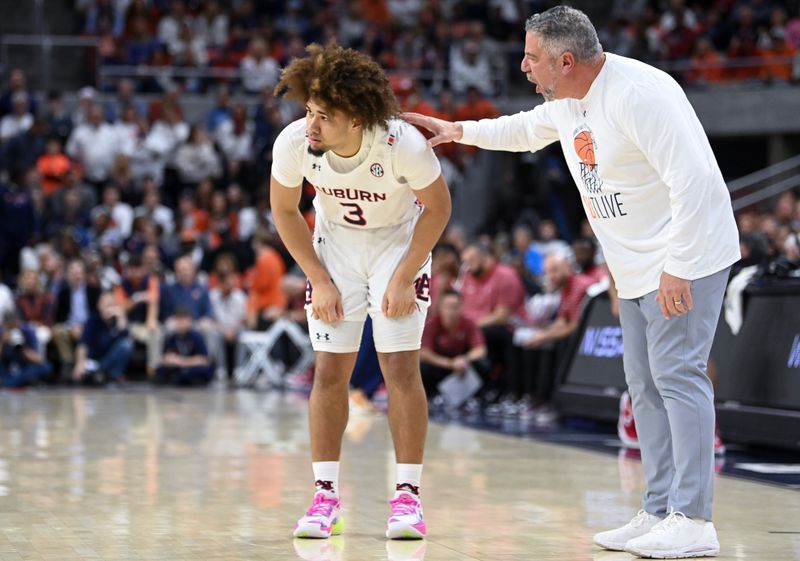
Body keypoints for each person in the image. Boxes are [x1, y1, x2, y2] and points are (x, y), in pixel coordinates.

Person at [404, 6, 739, 558]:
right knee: (644, 386)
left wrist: (678, 264)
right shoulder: (563, 103)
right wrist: (459, 130)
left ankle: (695, 519)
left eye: (532, 57)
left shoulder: (640, 93)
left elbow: (697, 181)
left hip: (686, 256)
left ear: (565, 60)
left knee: (678, 378)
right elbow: (521, 130)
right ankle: (657, 509)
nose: (523, 66)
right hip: (632, 267)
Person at [270, 43, 451, 540]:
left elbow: (438, 209)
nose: (310, 125)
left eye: (323, 116)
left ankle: (408, 499)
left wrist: (403, 276)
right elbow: (285, 211)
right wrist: (319, 278)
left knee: (399, 366)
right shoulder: (292, 144)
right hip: (336, 249)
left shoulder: (402, 144)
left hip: (397, 244)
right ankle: (325, 495)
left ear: (356, 119)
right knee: (330, 370)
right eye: (309, 111)